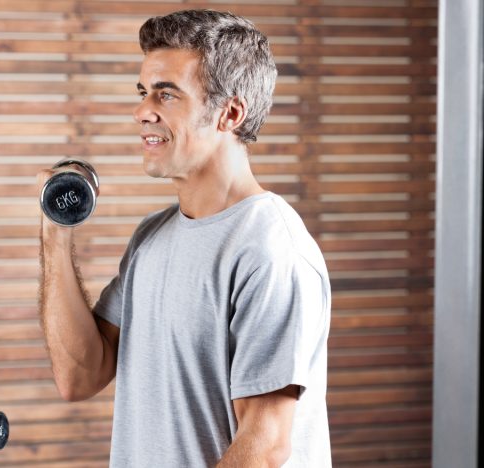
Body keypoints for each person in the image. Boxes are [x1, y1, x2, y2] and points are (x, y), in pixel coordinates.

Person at [37, 9, 331, 468]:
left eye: (166, 94)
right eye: (142, 92)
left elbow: (265, 446)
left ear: (230, 113)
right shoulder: (152, 238)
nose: (142, 112)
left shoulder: (271, 249)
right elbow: (79, 376)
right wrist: (55, 233)